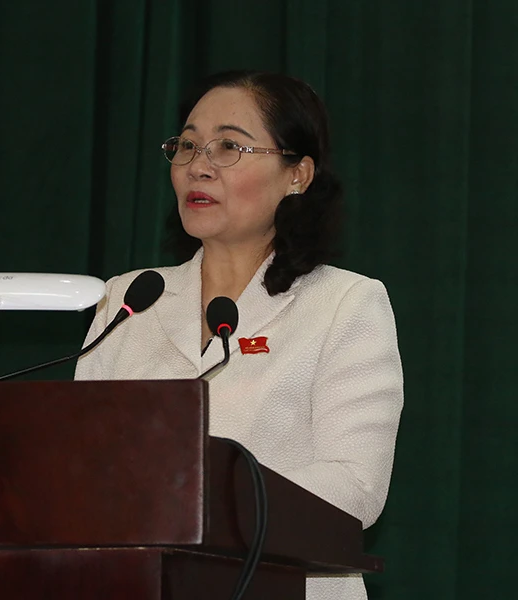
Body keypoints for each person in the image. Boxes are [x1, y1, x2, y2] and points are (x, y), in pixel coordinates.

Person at [74, 70, 404, 600]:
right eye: (187, 145)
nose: (197, 166)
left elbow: (355, 488)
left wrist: (200, 499)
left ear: (297, 175)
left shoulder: (345, 303)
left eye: (229, 146)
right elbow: (82, 462)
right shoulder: (129, 298)